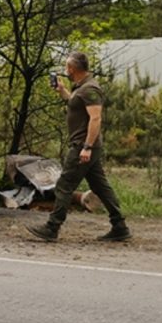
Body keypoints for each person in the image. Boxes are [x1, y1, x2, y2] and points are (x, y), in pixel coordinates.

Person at [27, 52, 131, 242]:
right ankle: (120, 226)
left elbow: (96, 118)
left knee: (64, 185)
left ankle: (52, 228)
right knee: (101, 187)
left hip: (83, 146)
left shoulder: (90, 89)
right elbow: (76, 105)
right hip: (86, 145)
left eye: (67, 66)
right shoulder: (81, 87)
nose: (66, 69)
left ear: (72, 69)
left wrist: (87, 147)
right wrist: (63, 91)